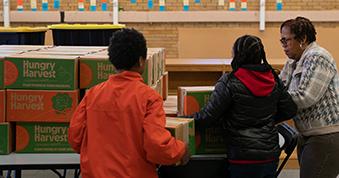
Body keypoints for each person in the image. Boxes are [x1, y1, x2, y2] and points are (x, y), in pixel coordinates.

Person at [68, 28, 190, 178]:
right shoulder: (149, 98)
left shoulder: (92, 94)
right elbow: (157, 147)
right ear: (140, 61)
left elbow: (75, 139)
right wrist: (181, 150)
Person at [184, 35, 297, 178]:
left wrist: (179, 123)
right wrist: (264, 119)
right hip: (270, 155)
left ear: (238, 54)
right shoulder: (274, 79)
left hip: (243, 157)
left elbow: (207, 117)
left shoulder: (230, 81)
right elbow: (290, 109)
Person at [278, 17, 339, 178]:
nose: (284, 46)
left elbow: (305, 98)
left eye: (286, 41)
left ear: (303, 39)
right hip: (308, 134)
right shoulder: (294, 60)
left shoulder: (317, 56)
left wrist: (269, 99)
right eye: (282, 41)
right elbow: (279, 86)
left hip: (330, 135)